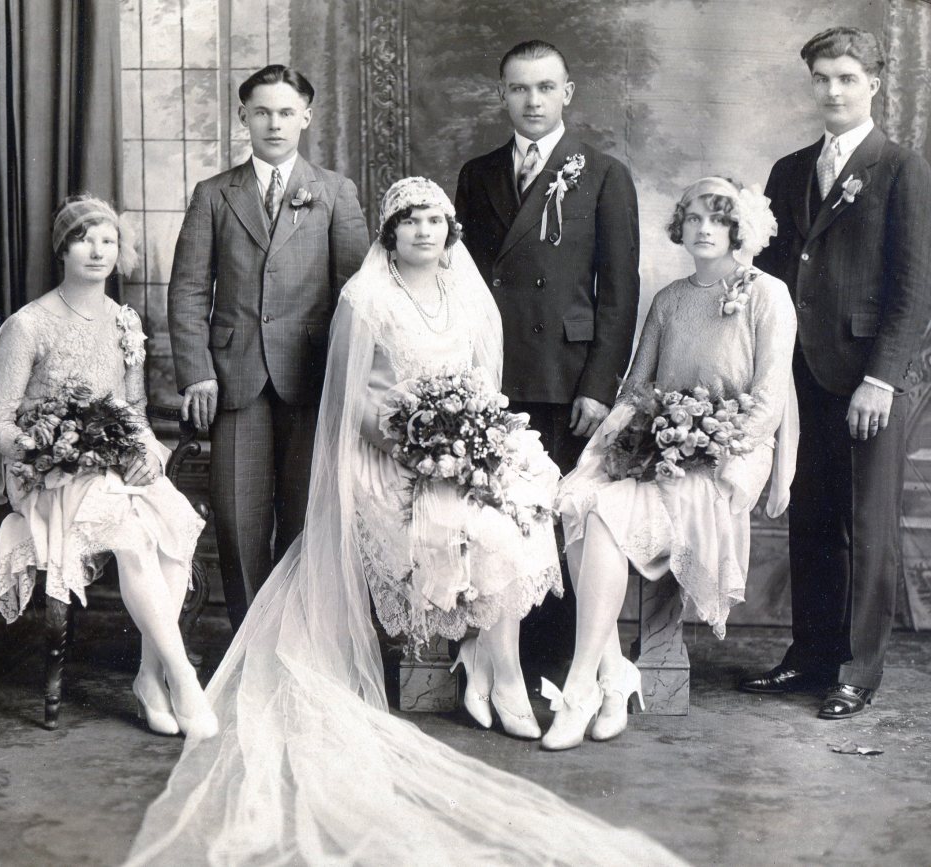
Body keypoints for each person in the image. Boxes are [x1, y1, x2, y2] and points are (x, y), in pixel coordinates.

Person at [123, 179, 686, 866]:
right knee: (463, 525)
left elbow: (485, 383)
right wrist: (413, 446)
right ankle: (492, 669)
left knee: (519, 516)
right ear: (389, 232)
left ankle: (493, 664)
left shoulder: (468, 292)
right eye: (410, 220)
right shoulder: (368, 300)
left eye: (436, 220)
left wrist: (475, 443)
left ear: (450, 231)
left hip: (463, 445)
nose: (424, 230)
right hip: (386, 453)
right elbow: (352, 398)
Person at [542, 178, 797, 751]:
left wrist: (710, 443)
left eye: (719, 219)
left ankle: (582, 687)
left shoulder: (766, 294)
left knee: (603, 518)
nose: (705, 229)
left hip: (730, 455)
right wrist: (607, 449)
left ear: (739, 229)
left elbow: (769, 399)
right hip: (663, 441)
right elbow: (636, 387)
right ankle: (611, 679)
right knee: (581, 500)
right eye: (695, 218)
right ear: (680, 226)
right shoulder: (670, 300)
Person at [0, 194, 215, 739]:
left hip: (107, 468)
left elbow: (133, 410)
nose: (97, 250)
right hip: (43, 474)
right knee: (132, 537)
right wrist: (56, 452)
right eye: (84, 238)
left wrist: (146, 450)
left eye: (107, 240)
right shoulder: (29, 325)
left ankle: (149, 679)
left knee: (171, 529)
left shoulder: (125, 322)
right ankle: (184, 678)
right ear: (63, 248)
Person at [740, 28, 931, 719]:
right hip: (797, 373)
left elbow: (913, 287)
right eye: (822, 78)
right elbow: (766, 278)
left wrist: (881, 379)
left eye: (847, 77)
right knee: (811, 519)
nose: (833, 90)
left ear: (873, 83)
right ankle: (810, 653)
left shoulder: (898, 167)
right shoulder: (790, 170)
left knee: (865, 524)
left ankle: (856, 667)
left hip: (863, 376)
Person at [455, 39, 640, 659]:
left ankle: (557, 658)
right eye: (518, 88)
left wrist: (598, 384)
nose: (531, 101)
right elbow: (463, 284)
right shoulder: (477, 174)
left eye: (544, 87)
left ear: (567, 92)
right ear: (500, 94)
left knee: (560, 514)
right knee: (500, 511)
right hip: (494, 371)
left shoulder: (605, 173)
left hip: (566, 374)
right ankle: (502, 650)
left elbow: (618, 291)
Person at [168, 64, 369, 631]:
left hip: (311, 380)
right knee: (237, 521)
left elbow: (357, 296)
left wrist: (347, 378)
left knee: (306, 517)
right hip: (234, 381)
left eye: (285, 112)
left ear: (305, 116)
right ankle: (247, 647)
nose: (274, 123)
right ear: (243, 118)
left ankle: (300, 644)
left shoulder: (334, 192)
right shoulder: (213, 194)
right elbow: (186, 290)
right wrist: (196, 373)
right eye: (262, 112)